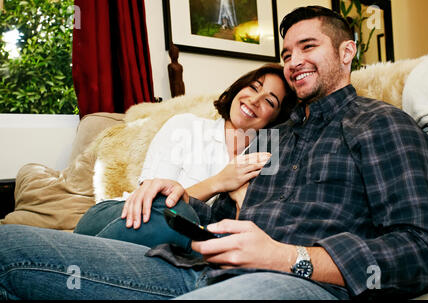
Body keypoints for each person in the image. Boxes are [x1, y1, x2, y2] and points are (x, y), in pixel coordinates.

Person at [0, 6, 428, 300]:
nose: (293, 62)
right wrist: (180, 195)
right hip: (197, 265)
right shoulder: (275, 138)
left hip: (290, 281)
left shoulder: (383, 124)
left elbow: (423, 252)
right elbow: (219, 215)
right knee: (8, 247)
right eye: (287, 52)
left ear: (347, 51)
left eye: (307, 47)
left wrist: (289, 257)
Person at [73, 63, 296, 250]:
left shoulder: (265, 158)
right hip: (121, 215)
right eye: (254, 87)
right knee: (178, 214)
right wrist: (220, 182)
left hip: (180, 240)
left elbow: (249, 229)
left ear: (276, 118)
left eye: (270, 101)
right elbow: (155, 200)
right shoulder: (185, 126)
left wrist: (240, 197)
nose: (256, 99)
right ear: (239, 89)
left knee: (204, 240)